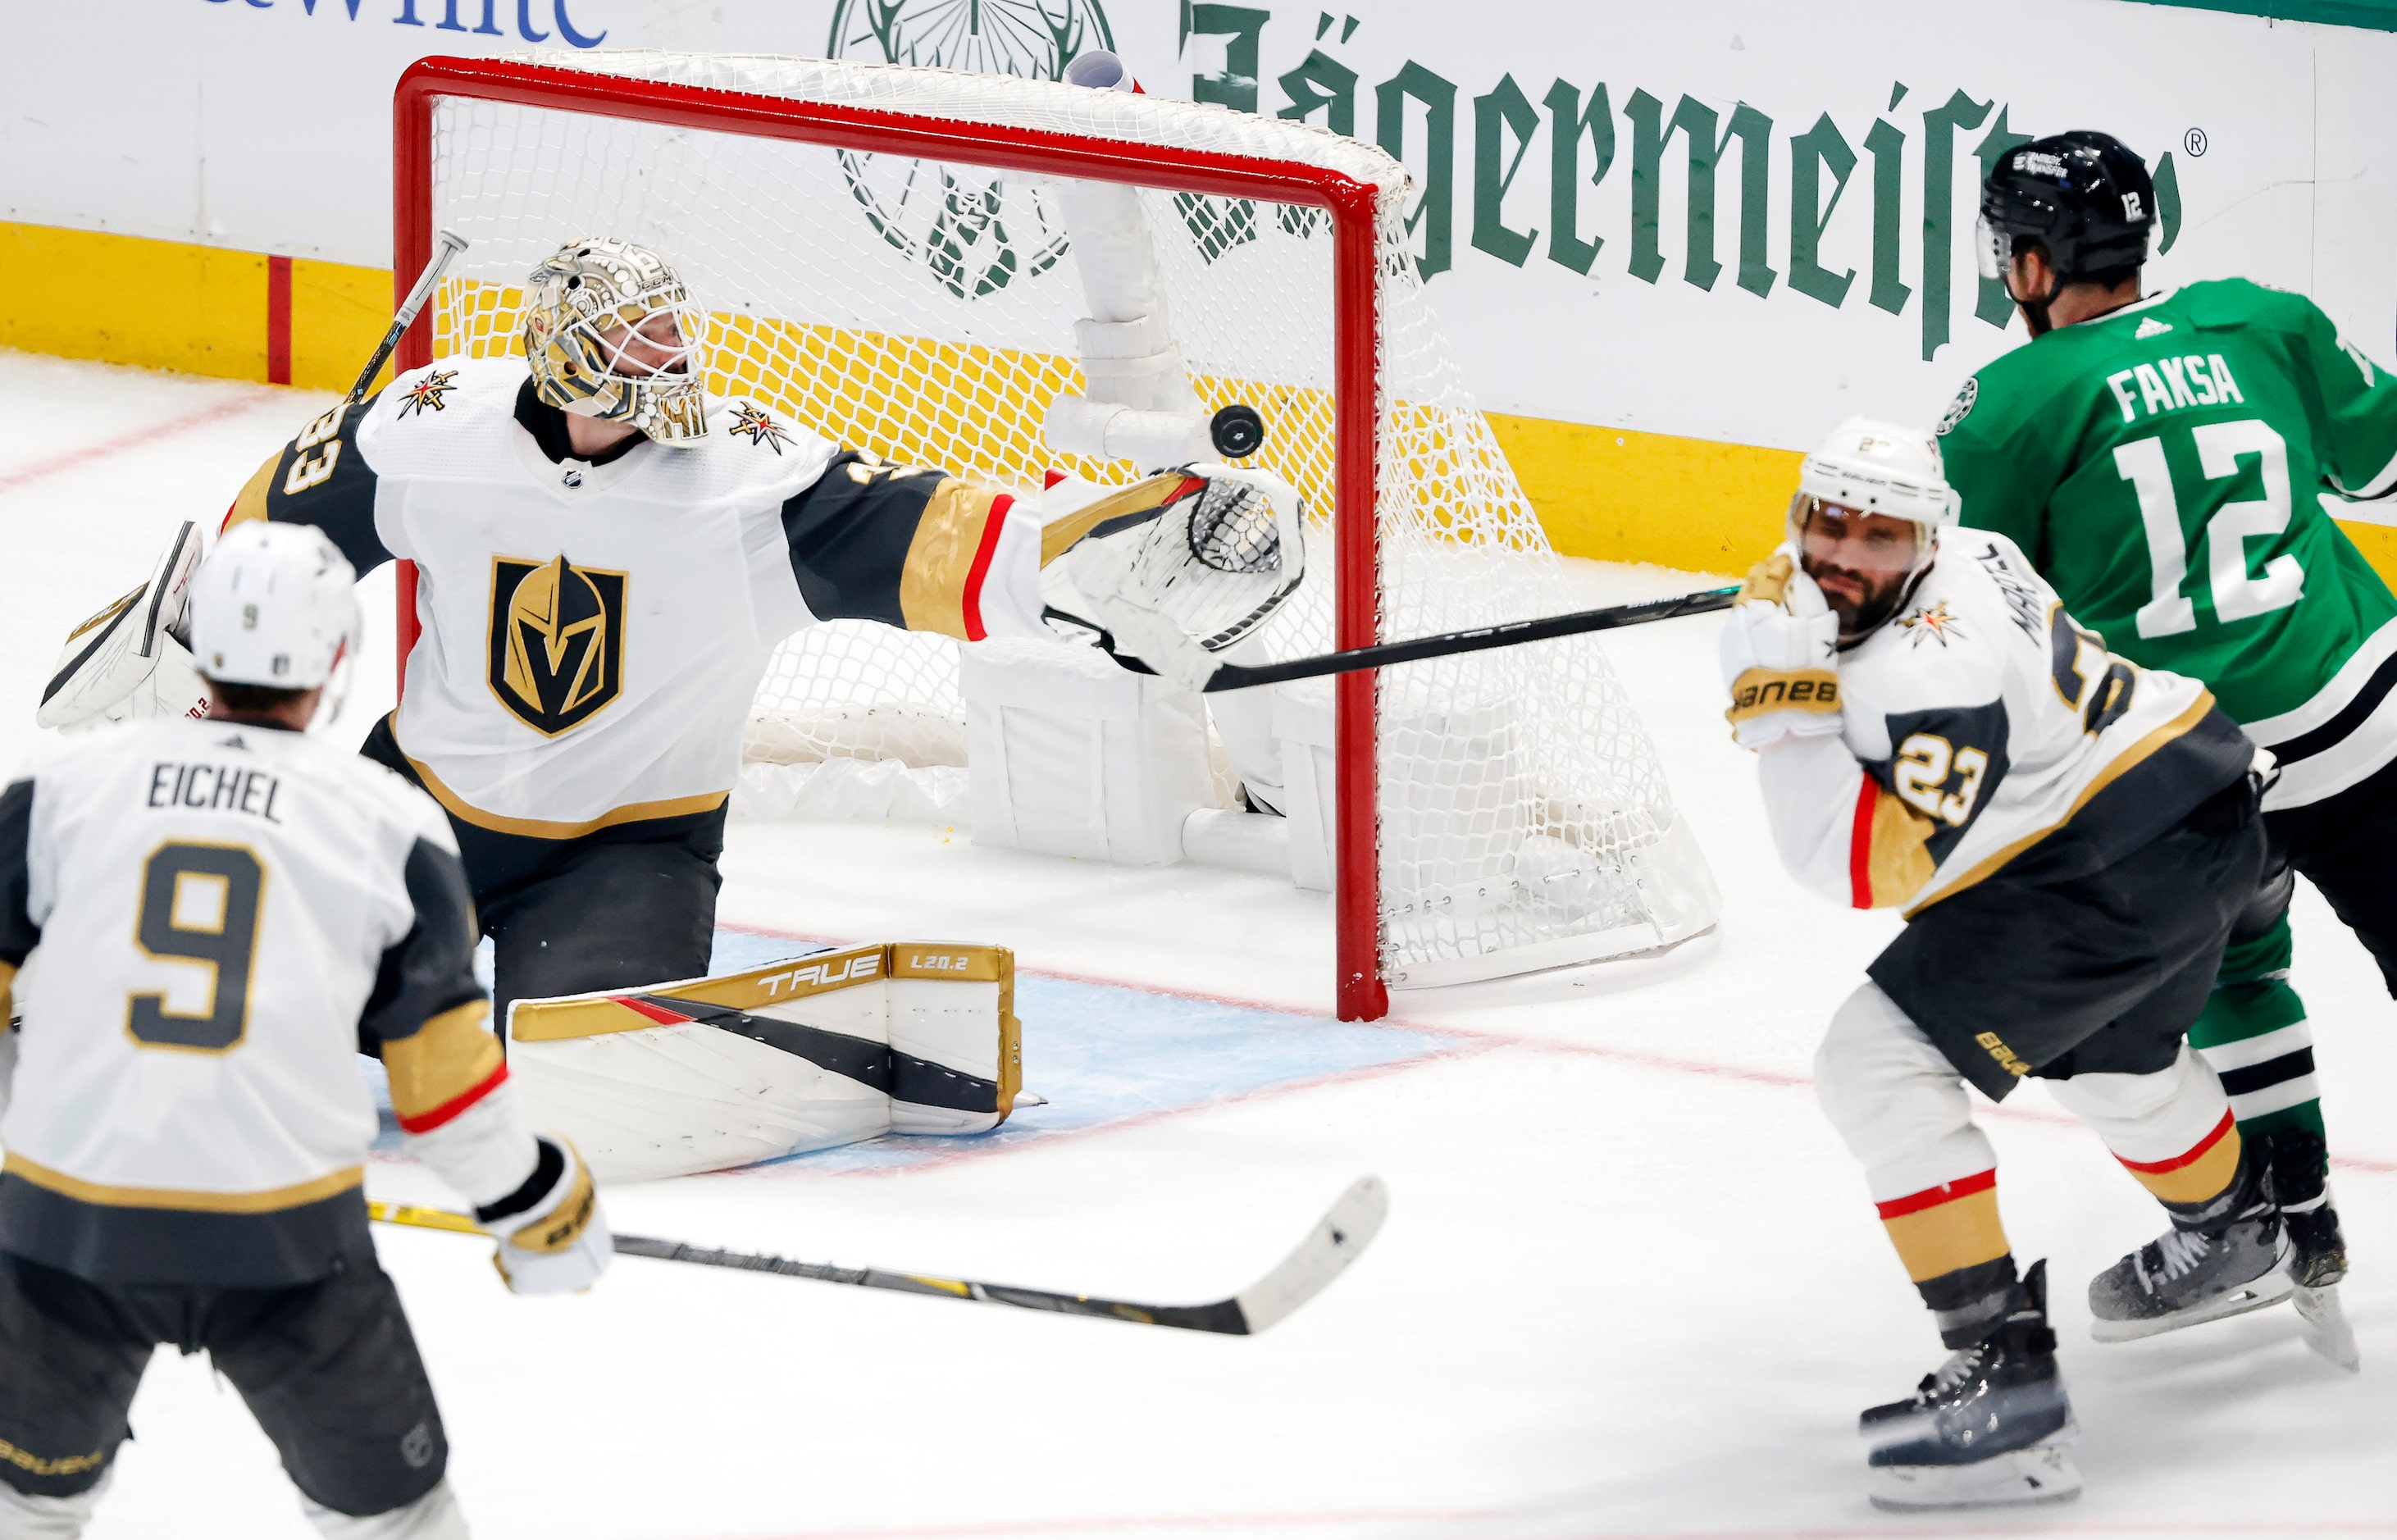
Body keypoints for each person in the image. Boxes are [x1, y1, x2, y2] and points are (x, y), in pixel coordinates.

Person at [34, 237, 1295, 1032]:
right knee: (246, 1012)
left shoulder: (743, 485)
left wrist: (1095, 553)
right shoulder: (432, 430)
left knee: (575, 1062)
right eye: (627, 346)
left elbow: (937, 537)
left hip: (628, 851)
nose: (661, 364)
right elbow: (278, 532)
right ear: (557, 362)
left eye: (664, 337)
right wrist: (184, 650)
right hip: (415, 808)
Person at [0, 522, 609, 1539]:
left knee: (25, 1509)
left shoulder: (57, 791)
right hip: (283, 1243)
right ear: (335, 661)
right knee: (399, 1523)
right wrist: (543, 1207)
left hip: (67, 1229)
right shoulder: (386, 824)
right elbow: (447, 1096)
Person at [1725, 417, 2280, 1508]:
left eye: (1873, 538)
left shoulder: (1930, 675)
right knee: (2114, 1066)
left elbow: (1851, 865)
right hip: (2202, 807)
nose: (1839, 556)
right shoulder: (1978, 550)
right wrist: (1807, 629)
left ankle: (2003, 1395)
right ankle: (2233, 1230)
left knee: (1872, 1065)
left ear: (1923, 541)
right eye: (1820, 525)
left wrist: (1774, 703)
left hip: (2112, 870)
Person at [1939, 131, 2397, 1323]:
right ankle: (2289, 1227)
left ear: (2031, 263)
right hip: (2356, 709)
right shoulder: (2260, 320)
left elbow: (1962, 608)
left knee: (2230, 969)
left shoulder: (2007, 407)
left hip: (2187, 769)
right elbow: (2383, 462)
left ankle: (2287, 1224)